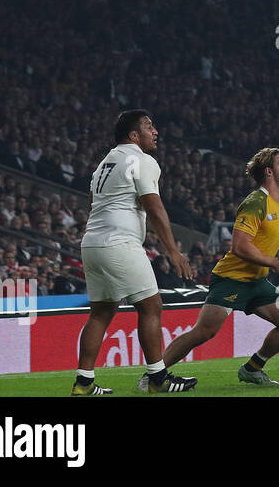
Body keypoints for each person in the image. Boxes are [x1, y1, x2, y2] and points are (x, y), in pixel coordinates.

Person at [159, 148, 279, 387]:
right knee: (205, 331)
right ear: (269, 172)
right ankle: (154, 375)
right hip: (231, 278)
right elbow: (240, 246)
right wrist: (276, 263)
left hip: (258, 282)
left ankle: (253, 368)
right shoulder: (255, 202)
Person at [72, 110, 196, 395]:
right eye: (149, 127)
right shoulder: (141, 160)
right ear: (133, 135)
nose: (156, 132)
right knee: (150, 307)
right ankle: (158, 378)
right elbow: (154, 207)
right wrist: (173, 251)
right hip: (120, 242)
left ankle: (83, 384)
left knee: (101, 313)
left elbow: (94, 203)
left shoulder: (104, 163)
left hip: (92, 242)